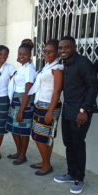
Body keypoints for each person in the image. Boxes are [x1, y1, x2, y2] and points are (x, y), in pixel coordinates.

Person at [53, 36, 98, 194]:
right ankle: (71, 173)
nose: (63, 51)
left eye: (66, 47)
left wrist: (84, 110)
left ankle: (79, 178)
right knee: (68, 142)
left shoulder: (83, 63)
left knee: (78, 144)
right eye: (60, 48)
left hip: (80, 112)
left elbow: (93, 87)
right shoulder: (65, 64)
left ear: (74, 47)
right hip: (68, 109)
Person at [28, 39, 63, 175]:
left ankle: (47, 165)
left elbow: (57, 90)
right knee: (41, 136)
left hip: (49, 106)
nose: (47, 54)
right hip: (40, 104)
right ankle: (45, 161)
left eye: (50, 52)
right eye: (45, 51)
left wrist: (50, 111)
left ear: (57, 53)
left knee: (41, 137)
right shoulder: (46, 66)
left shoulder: (57, 68)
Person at [6, 41, 36, 165]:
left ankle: (23, 155)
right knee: (14, 129)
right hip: (16, 101)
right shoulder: (22, 67)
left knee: (23, 131)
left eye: (24, 54)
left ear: (30, 55)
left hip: (23, 102)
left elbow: (28, 91)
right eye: (19, 53)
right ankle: (19, 152)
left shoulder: (29, 69)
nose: (21, 56)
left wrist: (21, 110)